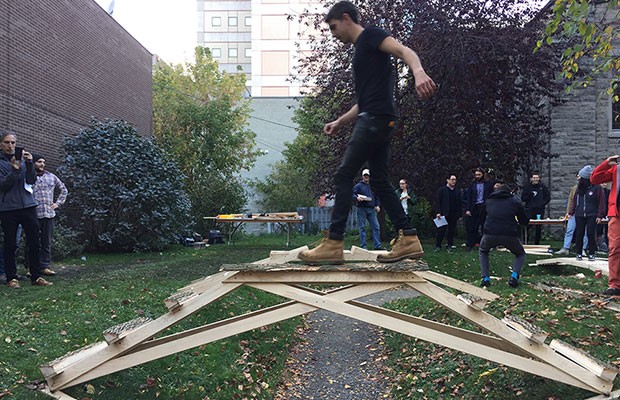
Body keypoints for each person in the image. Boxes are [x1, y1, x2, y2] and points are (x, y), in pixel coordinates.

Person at [298, 1, 437, 264]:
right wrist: (339, 122)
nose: (333, 34)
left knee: (343, 175)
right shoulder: (361, 53)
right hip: (379, 118)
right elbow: (364, 101)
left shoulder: (371, 36)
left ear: (346, 18)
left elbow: (405, 51)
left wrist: (418, 72)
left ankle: (333, 242)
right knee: (381, 181)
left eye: (334, 27)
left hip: (374, 120)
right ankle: (408, 237)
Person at [0, 132, 52, 287]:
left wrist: (29, 164)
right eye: (7, 142)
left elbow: (31, 180)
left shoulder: (23, 162)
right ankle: (11, 277)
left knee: (34, 241)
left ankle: (36, 276)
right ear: (1, 144)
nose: (10, 146)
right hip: (8, 209)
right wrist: (14, 170)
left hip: (28, 206)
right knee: (11, 244)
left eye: (13, 143)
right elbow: (3, 185)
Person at [479, 183, 529, 288]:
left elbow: (482, 217)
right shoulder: (515, 201)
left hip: (490, 233)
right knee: (520, 254)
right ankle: (514, 276)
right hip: (509, 233)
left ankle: (485, 278)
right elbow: (523, 220)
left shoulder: (488, 201)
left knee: (483, 251)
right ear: (509, 192)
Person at [30, 154, 68, 275]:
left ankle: (44, 266)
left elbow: (63, 189)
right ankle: (30, 267)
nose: (42, 164)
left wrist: (58, 203)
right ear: (33, 163)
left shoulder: (51, 177)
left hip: (48, 214)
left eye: (43, 162)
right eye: (39, 162)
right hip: (33, 214)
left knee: (46, 241)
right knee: (31, 241)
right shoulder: (29, 177)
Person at [591, 155, 620, 295]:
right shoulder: (616, 169)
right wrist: (606, 163)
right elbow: (595, 179)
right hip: (616, 214)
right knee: (614, 248)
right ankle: (614, 285)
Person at [569, 165, 606, 261]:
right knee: (579, 234)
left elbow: (601, 202)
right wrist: (571, 212)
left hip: (592, 214)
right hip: (579, 214)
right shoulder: (579, 188)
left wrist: (600, 215)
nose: (579, 180)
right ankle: (578, 252)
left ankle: (592, 253)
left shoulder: (597, 188)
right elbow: (574, 200)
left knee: (590, 234)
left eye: (581, 178)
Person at [556, 173, 588, 255]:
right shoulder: (574, 189)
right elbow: (571, 201)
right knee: (569, 230)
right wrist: (568, 213)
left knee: (584, 232)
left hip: (584, 214)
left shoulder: (590, 188)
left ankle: (582, 249)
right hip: (573, 213)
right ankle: (566, 248)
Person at [464, 168, 494, 251]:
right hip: (474, 207)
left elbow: (491, 196)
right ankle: (470, 244)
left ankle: (486, 244)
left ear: (483, 175)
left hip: (484, 207)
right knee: (472, 227)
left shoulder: (488, 184)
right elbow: (469, 198)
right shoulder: (472, 184)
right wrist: (468, 209)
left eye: (479, 175)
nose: (477, 176)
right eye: (476, 175)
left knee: (485, 226)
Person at [353, 169, 382, 250]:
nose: (366, 177)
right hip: (361, 208)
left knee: (376, 226)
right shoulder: (358, 186)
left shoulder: (373, 186)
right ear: (362, 176)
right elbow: (352, 194)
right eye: (365, 175)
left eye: (367, 176)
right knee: (362, 227)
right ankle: (363, 246)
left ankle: (377, 246)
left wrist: (377, 205)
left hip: (372, 209)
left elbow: (376, 196)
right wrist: (357, 198)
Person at [521, 171, 550, 245]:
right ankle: (525, 241)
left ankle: (537, 243)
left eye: (537, 178)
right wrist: (530, 195)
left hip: (539, 210)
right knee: (527, 226)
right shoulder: (527, 187)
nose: (535, 179)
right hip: (529, 209)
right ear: (531, 179)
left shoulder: (543, 187)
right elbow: (523, 198)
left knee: (538, 226)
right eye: (534, 178)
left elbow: (547, 197)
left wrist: (542, 204)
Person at [435, 174, 461, 251]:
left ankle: (449, 245)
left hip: (453, 214)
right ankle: (438, 246)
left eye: (455, 180)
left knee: (451, 230)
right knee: (441, 230)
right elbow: (438, 202)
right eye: (452, 179)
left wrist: (459, 213)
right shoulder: (442, 190)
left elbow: (459, 203)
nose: (454, 181)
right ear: (448, 180)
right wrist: (438, 212)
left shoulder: (457, 191)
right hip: (443, 213)